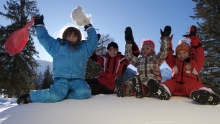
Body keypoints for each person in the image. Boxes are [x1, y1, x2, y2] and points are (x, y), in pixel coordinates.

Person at [17, 9, 98, 104]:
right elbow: (45, 38)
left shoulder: (84, 48)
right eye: (69, 36)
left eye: (74, 36)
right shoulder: (57, 46)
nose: (71, 38)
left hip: (77, 79)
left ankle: (63, 95)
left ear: (79, 37)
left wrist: (86, 23)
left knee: (84, 93)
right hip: (61, 79)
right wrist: (39, 25)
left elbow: (93, 41)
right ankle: (30, 97)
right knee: (54, 95)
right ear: (64, 36)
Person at [147, 25, 220, 105]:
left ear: (189, 53)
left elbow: (199, 52)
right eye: (179, 53)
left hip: (189, 82)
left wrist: (193, 38)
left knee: (194, 86)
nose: (182, 55)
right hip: (175, 82)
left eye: (184, 52)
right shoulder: (174, 61)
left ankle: (205, 94)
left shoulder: (195, 61)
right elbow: (168, 54)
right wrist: (167, 41)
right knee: (169, 83)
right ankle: (163, 90)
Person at [124, 26, 171, 98]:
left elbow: (164, 52)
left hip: (152, 82)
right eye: (143, 49)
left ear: (152, 50)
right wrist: (128, 42)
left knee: (149, 81)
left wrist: (165, 38)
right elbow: (129, 56)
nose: (144, 50)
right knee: (131, 81)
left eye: (147, 48)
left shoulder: (156, 58)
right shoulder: (139, 60)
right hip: (139, 82)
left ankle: (152, 90)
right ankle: (125, 89)